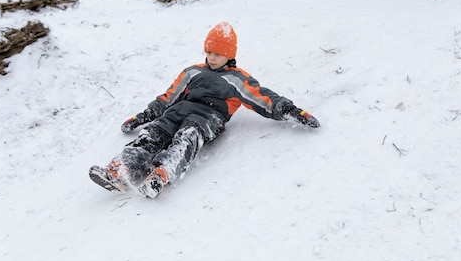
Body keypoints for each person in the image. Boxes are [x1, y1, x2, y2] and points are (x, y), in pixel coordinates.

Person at [89, 22, 320, 198]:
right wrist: (143, 116)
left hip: (207, 118)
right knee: (152, 134)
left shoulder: (237, 79)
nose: (211, 57)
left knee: (187, 138)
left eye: (217, 53)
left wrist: (292, 111)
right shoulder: (192, 71)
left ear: (230, 54)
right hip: (177, 111)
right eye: (209, 52)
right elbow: (169, 97)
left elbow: (263, 98)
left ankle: (161, 175)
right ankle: (120, 169)